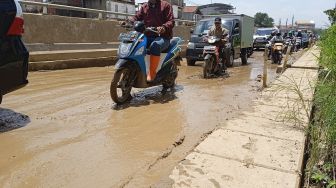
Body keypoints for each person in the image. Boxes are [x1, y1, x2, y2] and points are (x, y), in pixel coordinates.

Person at [121, 0, 174, 81]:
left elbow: (171, 21)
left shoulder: (166, 5)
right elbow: (137, 17)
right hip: (147, 35)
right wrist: (128, 21)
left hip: (163, 36)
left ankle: (152, 73)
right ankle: (138, 69)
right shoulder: (144, 6)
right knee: (136, 44)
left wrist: (163, 27)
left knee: (155, 45)